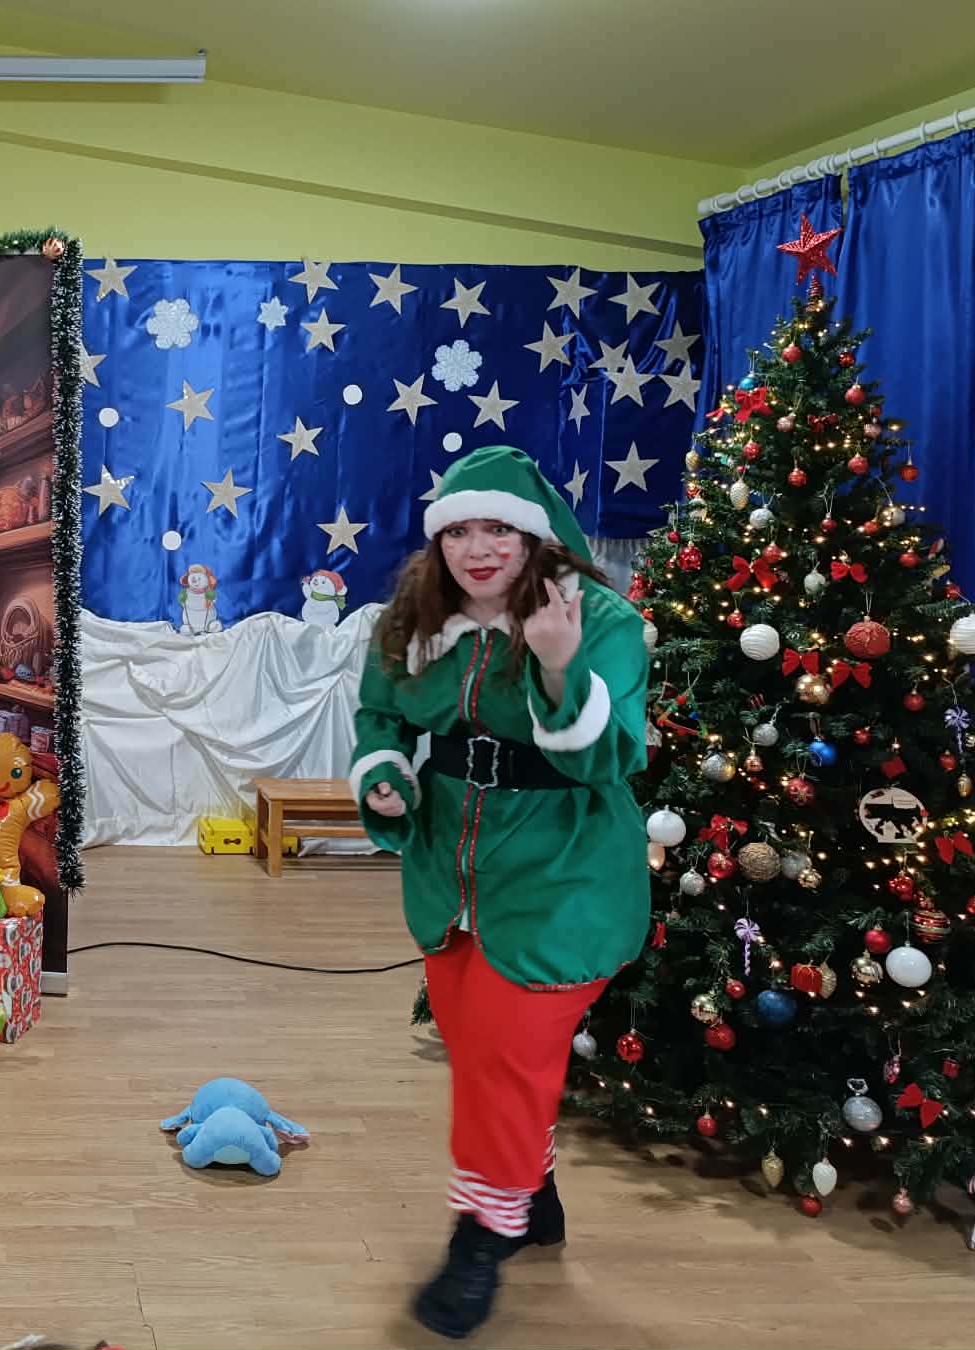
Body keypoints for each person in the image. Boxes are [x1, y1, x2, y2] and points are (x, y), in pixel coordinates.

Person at [348, 447, 648, 1341]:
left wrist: (558, 669)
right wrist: (384, 773)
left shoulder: (599, 620)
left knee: (507, 1058)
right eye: (459, 532)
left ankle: (482, 1237)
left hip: (564, 879)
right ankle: (533, 1192)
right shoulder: (414, 618)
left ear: (534, 538)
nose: (477, 550)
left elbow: (611, 757)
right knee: (479, 1051)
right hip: (450, 877)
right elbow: (379, 715)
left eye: (498, 530)